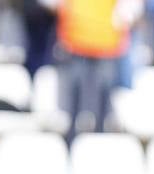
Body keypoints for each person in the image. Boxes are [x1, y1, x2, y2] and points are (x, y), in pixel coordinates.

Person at [53, 0, 131, 141]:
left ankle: (98, 142)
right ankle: (72, 143)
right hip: (76, 39)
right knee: (74, 97)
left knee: (103, 96)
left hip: (105, 40)